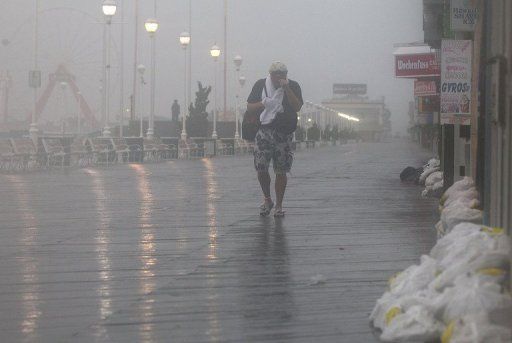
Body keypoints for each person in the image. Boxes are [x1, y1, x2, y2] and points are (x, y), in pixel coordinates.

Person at [246, 61, 303, 217]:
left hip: (283, 133)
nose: (279, 77)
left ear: (286, 74)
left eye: (283, 74)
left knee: (281, 170)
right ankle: (267, 199)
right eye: (276, 74)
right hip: (264, 131)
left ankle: (278, 205)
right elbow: (249, 106)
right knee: (261, 167)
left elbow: (297, 106)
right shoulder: (260, 85)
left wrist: (287, 89)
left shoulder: (293, 86)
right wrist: (264, 103)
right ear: (270, 74)